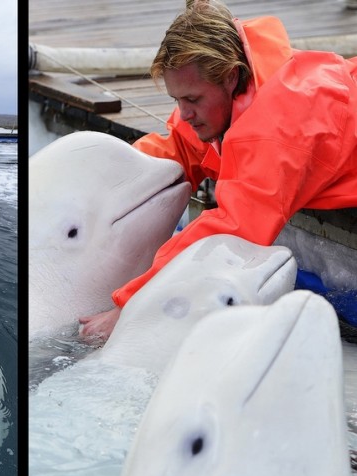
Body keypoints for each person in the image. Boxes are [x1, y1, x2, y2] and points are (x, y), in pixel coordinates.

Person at [79, 0, 357, 338]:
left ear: (230, 77)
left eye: (193, 100)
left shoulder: (278, 128)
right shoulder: (230, 93)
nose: (184, 114)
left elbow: (233, 229)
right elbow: (178, 149)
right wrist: (105, 180)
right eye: (176, 100)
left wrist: (129, 304)